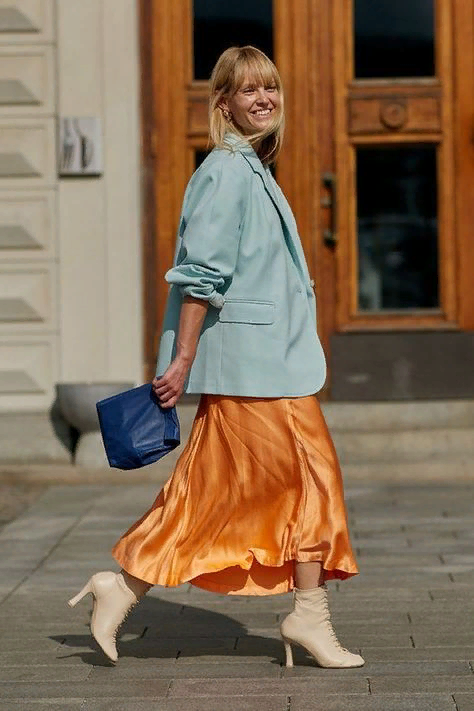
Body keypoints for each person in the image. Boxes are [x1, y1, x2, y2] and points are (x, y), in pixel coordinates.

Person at [68, 45, 364, 670]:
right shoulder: (227, 172)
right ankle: (307, 616)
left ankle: (123, 587)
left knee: (213, 489)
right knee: (311, 479)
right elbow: (200, 275)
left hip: (265, 363)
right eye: (248, 89)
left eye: (270, 87)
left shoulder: (250, 167)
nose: (264, 99)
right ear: (223, 103)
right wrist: (181, 361)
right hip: (255, 368)